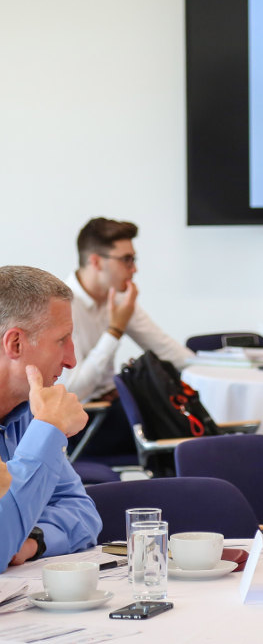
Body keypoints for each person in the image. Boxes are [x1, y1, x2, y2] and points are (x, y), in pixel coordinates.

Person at [60, 218, 195, 455]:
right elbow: (73, 391)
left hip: (116, 407)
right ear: (96, 261)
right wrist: (115, 330)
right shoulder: (63, 305)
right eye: (126, 260)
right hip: (87, 420)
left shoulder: (118, 298)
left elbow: (166, 349)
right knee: (180, 425)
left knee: (188, 411)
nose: (134, 269)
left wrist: (214, 366)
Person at [0, 266, 101, 572]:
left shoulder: (29, 409)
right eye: (61, 340)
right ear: (15, 344)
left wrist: (32, 540)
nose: (71, 360)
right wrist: (48, 428)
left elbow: (81, 511)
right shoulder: (44, 417)